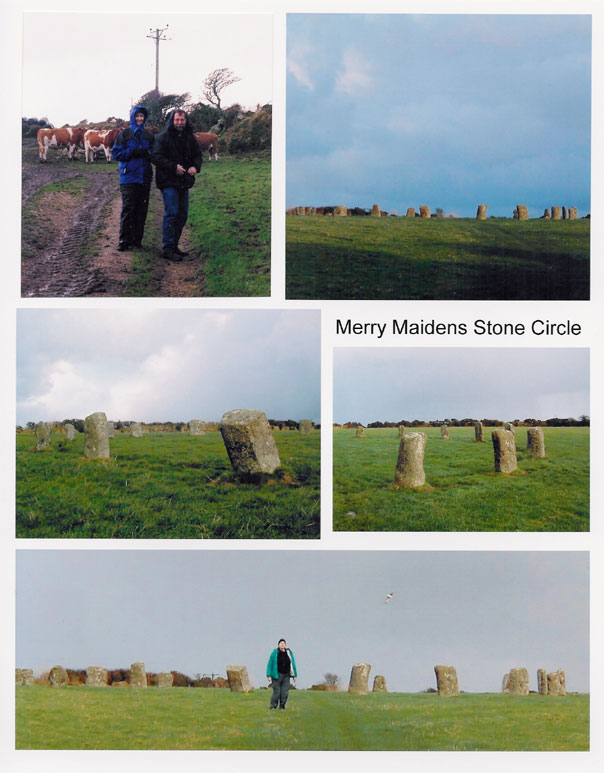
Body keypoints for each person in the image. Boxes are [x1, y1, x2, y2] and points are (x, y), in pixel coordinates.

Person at [151, 109, 202, 261]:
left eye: (182, 120)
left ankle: (174, 246)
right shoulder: (163, 137)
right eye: (177, 120)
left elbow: (197, 155)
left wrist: (195, 167)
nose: (180, 123)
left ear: (186, 121)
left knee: (182, 214)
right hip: (168, 181)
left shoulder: (190, 138)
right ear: (172, 120)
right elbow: (156, 157)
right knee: (172, 213)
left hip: (184, 181)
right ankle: (167, 249)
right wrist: (173, 167)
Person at [111, 105, 155, 251]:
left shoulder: (148, 135)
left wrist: (147, 153)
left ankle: (137, 241)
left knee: (141, 209)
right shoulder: (124, 134)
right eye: (137, 116)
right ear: (132, 117)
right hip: (128, 177)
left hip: (144, 177)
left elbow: (155, 153)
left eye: (142, 116)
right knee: (128, 208)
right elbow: (116, 153)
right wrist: (131, 152)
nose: (139, 119)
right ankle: (124, 240)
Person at [266, 638, 297, 710]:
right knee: (277, 692)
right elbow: (270, 664)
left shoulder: (289, 653)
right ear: (278, 645)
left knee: (285, 692)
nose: (282, 645)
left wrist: (295, 675)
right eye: (281, 643)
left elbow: (293, 664)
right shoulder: (274, 653)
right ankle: (273, 706)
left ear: (285, 645)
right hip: (277, 675)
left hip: (286, 675)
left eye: (284, 643)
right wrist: (268, 675)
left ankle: (282, 706)